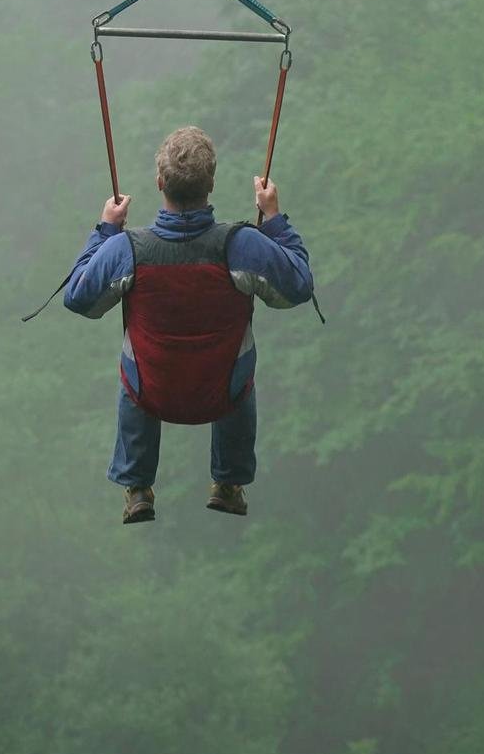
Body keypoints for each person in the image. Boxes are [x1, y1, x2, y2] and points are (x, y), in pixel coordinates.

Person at [63, 126, 313, 524]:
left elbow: (79, 298)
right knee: (235, 365)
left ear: (159, 182)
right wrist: (272, 218)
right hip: (221, 393)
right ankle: (228, 482)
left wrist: (106, 230)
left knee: (138, 363)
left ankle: (137, 485)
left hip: (153, 392)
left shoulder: (127, 250)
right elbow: (298, 285)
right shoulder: (242, 245)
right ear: (211, 184)